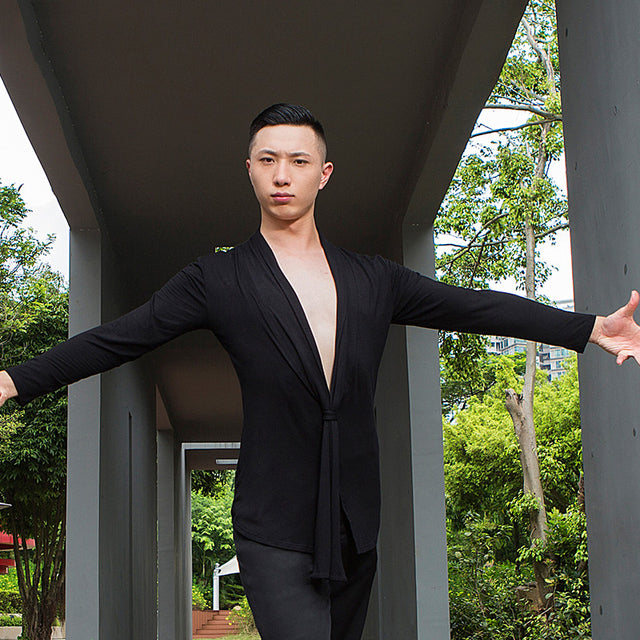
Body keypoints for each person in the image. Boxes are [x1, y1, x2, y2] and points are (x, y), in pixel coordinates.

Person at [0, 103, 639, 640]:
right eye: (268, 159)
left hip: (356, 519)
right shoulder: (217, 279)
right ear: (249, 169)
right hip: (272, 519)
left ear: (324, 174)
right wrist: (14, 380)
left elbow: (472, 306)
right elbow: (119, 338)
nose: (283, 175)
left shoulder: (373, 279)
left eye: (299, 161)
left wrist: (587, 328)